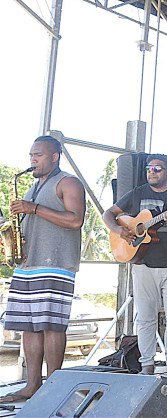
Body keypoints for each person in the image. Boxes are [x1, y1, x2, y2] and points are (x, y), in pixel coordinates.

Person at [0, 136, 85, 404]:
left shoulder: (68, 182)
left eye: (38, 155)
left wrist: (34, 209)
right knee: (29, 327)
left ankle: (54, 388)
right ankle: (32, 386)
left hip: (55, 264)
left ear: (54, 156)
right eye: (31, 155)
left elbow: (76, 220)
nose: (32, 160)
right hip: (27, 264)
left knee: (52, 327)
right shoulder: (32, 188)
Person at [102, 154, 167, 380]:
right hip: (143, 264)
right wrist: (118, 229)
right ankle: (147, 365)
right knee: (145, 318)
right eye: (149, 168)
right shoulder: (137, 193)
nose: (151, 171)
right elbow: (108, 214)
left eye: (157, 168)